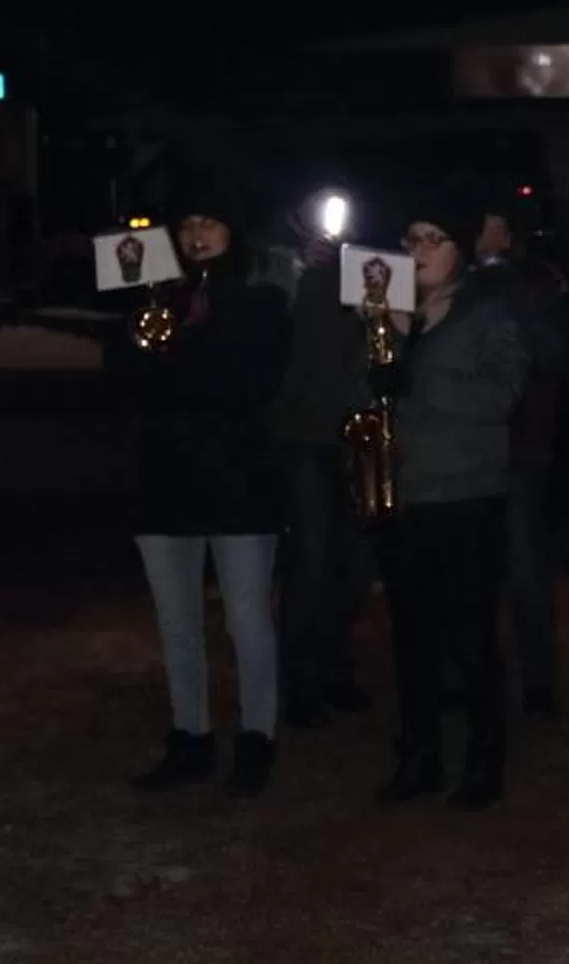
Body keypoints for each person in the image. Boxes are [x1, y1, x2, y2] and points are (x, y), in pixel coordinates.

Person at [120, 181, 293, 797]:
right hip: (166, 480)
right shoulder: (153, 296)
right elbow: (129, 381)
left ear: (234, 231)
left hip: (239, 479)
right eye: (188, 222)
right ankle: (189, 736)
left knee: (247, 619)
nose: (197, 236)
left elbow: (243, 382)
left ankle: (256, 739)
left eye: (210, 223)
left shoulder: (261, 299)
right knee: (177, 623)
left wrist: (177, 356)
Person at [373, 199, 526, 810]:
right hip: (404, 495)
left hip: (467, 496)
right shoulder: (383, 311)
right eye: (411, 237)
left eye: (434, 238)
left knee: (471, 636)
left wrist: (415, 367)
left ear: (459, 250)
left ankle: (485, 764)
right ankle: (420, 757)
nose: (419, 250)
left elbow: (500, 397)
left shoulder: (489, 313)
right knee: (412, 637)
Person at [267, 186, 377, 729]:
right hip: (304, 434)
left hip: (356, 436)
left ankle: (337, 670)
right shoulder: (280, 270)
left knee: (354, 563)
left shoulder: (367, 267)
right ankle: (301, 685)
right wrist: (298, 274)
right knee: (309, 563)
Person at [474, 201, 569, 725]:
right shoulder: (454, 283)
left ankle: (537, 682)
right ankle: (469, 676)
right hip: (467, 444)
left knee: (525, 569)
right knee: (469, 571)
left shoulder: (533, 284)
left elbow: (553, 356)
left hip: (520, 445)